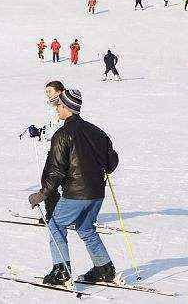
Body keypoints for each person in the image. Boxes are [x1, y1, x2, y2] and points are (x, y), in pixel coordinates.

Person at [27, 87, 120, 286]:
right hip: (97, 193)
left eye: (59, 105)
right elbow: (112, 162)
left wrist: (41, 194)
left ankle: (61, 270)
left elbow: (55, 170)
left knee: (55, 225)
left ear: (67, 107)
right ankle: (104, 268)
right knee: (85, 228)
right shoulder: (97, 132)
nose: (57, 109)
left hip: (76, 193)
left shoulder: (62, 134)